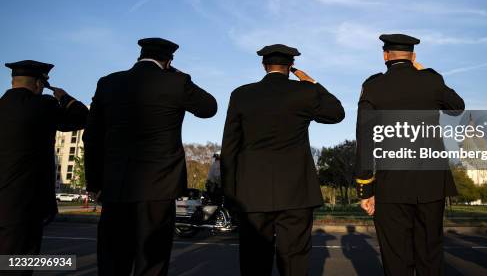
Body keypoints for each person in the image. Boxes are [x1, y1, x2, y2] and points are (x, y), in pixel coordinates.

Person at [83, 38, 217, 276]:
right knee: (152, 262)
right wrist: (178, 75)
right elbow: (209, 108)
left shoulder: (108, 83)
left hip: (116, 186)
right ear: (168, 60)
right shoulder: (176, 82)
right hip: (159, 188)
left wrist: (95, 183)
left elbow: (91, 137)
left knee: (113, 259)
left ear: (139, 55)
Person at [221, 44, 345, 276]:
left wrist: (230, 194)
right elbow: (336, 113)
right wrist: (313, 83)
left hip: (252, 192)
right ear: (291, 66)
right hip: (296, 191)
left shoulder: (241, 94)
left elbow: (230, 147)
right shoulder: (304, 92)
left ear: (263, 65)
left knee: (254, 259)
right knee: (295, 257)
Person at [354, 34, 465, 276]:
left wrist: (365, 188)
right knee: (430, 254)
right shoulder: (432, 81)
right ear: (414, 57)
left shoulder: (373, 86)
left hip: (391, 184)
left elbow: (365, 138)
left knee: (396, 257)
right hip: (431, 183)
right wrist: (429, 76)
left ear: (385, 56)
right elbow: (457, 108)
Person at [0, 60, 88, 265]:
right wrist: (64, 97)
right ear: (39, 84)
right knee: (18, 261)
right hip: (24, 203)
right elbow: (82, 118)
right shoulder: (43, 105)